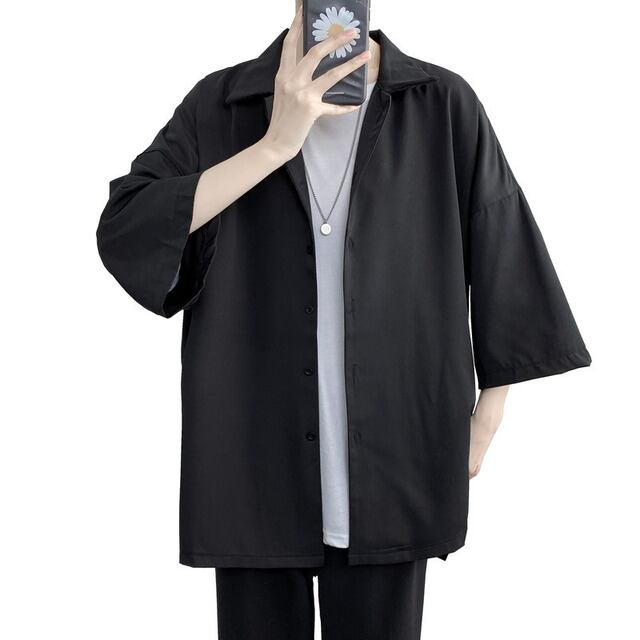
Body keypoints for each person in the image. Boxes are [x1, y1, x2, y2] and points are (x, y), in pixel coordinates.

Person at [96, 4, 591, 638]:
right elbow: (128, 226)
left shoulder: (441, 103)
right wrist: (276, 143)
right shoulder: (222, 103)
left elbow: (501, 240)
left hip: (399, 451)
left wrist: (488, 414)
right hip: (252, 455)